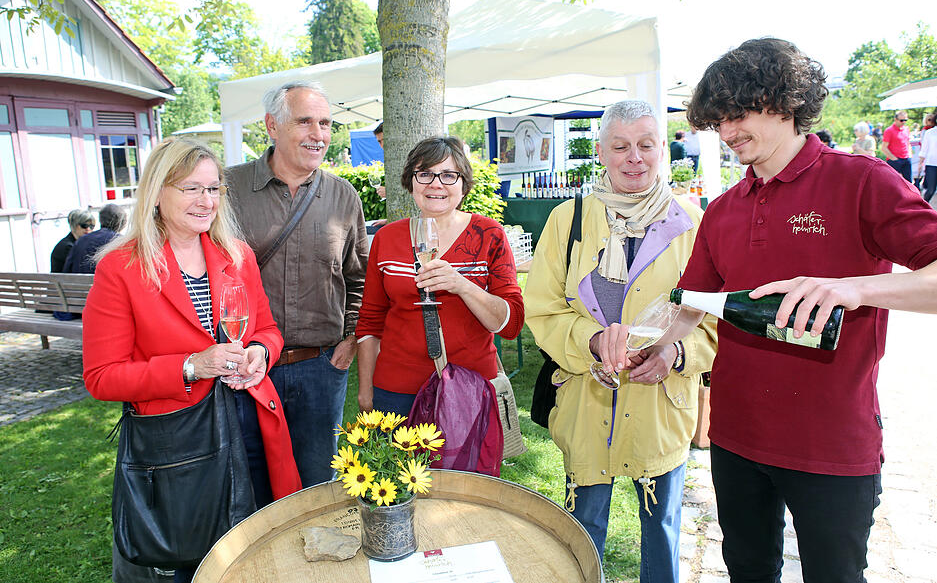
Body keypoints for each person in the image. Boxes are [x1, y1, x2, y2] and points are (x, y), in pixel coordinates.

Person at [651, 38, 937, 582]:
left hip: (830, 443)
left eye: (738, 114)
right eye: (718, 122)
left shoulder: (861, 181)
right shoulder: (724, 210)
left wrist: (855, 289)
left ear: (784, 101)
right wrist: (655, 348)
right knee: (749, 570)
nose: (728, 132)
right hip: (735, 437)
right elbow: (690, 305)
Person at [82, 138, 301, 583]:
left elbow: (267, 331)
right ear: (157, 192)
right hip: (179, 444)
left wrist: (259, 355)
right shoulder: (121, 268)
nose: (206, 201)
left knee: (257, 550)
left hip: (249, 423)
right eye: (191, 189)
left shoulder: (236, 255)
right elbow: (102, 377)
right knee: (193, 563)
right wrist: (190, 367)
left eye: (214, 188)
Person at [525, 100, 718, 579]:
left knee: (663, 526)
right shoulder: (568, 221)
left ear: (663, 152)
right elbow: (544, 309)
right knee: (582, 527)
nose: (635, 157)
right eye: (620, 146)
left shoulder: (694, 225)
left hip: (661, 404)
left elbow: (717, 322)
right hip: (586, 399)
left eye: (646, 145)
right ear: (601, 152)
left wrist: (676, 353)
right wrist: (592, 341)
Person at [226, 80, 368, 488]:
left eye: (325, 123)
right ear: (272, 125)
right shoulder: (227, 190)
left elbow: (359, 277)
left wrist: (351, 340)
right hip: (246, 369)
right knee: (248, 484)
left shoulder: (343, 196)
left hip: (320, 368)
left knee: (318, 485)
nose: (319, 134)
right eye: (305, 122)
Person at [355, 136, 524, 418]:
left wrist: (462, 285)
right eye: (425, 174)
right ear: (411, 181)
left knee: (464, 466)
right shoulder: (386, 238)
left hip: (469, 387)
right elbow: (371, 321)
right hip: (397, 392)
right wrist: (365, 391)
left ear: (463, 183)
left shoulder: (488, 235)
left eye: (448, 175)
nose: (436, 184)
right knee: (403, 465)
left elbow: (511, 324)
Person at [64, 203, 127, 274]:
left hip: (76, 284)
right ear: (122, 222)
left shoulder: (81, 240)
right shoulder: (121, 242)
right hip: (102, 284)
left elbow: (67, 270)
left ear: (100, 220)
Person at [882, 109, 913, 182]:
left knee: (908, 182)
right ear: (895, 119)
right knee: (893, 182)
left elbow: (907, 142)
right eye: (901, 120)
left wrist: (909, 155)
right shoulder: (889, 130)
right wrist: (894, 159)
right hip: (895, 160)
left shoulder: (906, 129)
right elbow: (884, 147)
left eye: (905, 120)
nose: (904, 122)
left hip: (906, 158)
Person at [919, 117, 937, 203]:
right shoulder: (929, 133)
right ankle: (923, 206)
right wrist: (920, 163)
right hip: (932, 164)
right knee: (931, 190)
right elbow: (924, 149)